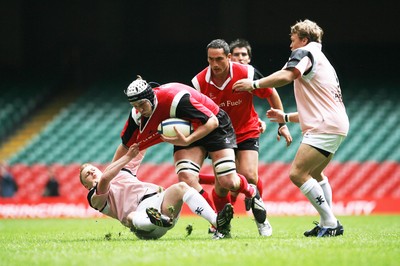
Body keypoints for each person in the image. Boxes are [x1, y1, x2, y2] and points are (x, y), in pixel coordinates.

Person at [112, 75, 267, 239]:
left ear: (150, 97)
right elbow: (125, 146)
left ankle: (251, 191)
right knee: (186, 178)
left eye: (142, 104)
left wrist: (188, 139)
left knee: (228, 181)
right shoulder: (136, 116)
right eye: (135, 105)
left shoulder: (175, 99)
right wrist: (111, 175)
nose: (139, 109)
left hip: (214, 126)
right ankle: (218, 223)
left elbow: (212, 121)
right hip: (186, 131)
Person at [233, 19, 349, 237]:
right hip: (335, 122)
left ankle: (331, 223)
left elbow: (288, 75)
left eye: (293, 40)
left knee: (297, 174)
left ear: (303, 39)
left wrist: (255, 84)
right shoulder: (321, 58)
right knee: (315, 173)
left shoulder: (305, 52)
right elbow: (315, 108)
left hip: (324, 126)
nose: (291, 45)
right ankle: (328, 220)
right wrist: (284, 116)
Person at [191, 39, 292, 237]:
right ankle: (223, 225)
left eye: (219, 59)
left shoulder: (246, 73)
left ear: (229, 57)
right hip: (219, 136)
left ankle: (261, 219)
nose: (215, 64)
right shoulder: (198, 82)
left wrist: (282, 124)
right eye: (211, 59)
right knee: (222, 186)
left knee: (250, 176)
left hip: (246, 130)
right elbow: (194, 114)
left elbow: (271, 93)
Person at [79, 144, 234, 240]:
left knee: (182, 187)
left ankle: (217, 222)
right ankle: (154, 219)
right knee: (131, 217)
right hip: (144, 226)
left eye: (93, 169)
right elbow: (106, 178)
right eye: (87, 174)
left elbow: (139, 146)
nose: (92, 172)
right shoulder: (94, 197)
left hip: (160, 206)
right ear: (86, 185)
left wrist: (153, 128)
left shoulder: (122, 173)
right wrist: (127, 157)